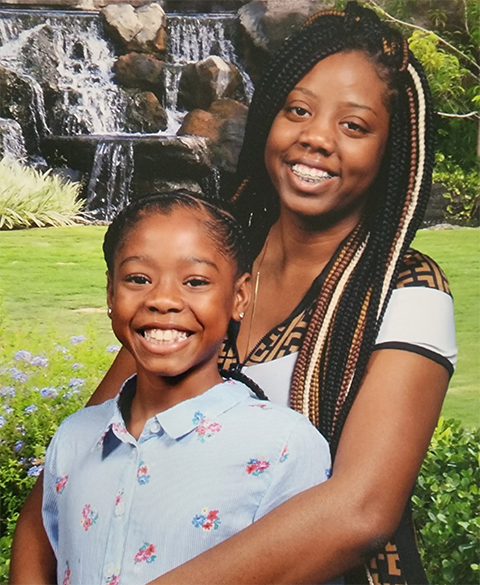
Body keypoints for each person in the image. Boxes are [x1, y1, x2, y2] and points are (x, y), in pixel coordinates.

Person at [10, 3, 456, 584]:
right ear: (268, 115)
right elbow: (75, 470)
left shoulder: (406, 289)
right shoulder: (206, 270)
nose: (317, 137)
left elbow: (360, 511)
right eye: (298, 110)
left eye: (354, 125)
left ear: (387, 150)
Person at [40, 192, 331, 585]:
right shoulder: (74, 439)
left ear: (239, 297)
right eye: (138, 279)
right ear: (111, 293)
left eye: (195, 281)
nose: (163, 300)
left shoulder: (284, 446)